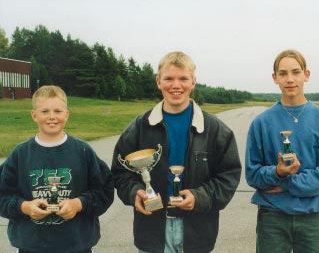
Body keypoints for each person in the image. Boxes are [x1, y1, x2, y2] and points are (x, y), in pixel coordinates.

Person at [111, 51, 241, 253]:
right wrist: (134, 192)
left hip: (198, 234)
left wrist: (200, 197)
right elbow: (120, 172)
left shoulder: (216, 129)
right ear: (158, 82)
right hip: (152, 232)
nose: (176, 85)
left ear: (193, 82)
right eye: (169, 78)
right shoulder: (139, 126)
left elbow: (228, 177)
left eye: (183, 78)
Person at [245, 49, 319, 253]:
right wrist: (277, 172)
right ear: (275, 78)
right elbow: (252, 173)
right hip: (272, 217)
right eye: (283, 73)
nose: (289, 79)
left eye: (295, 72)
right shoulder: (261, 123)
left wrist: (287, 182)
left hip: (311, 216)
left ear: (306, 75)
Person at [0, 85, 114, 253]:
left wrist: (78, 204)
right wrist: (24, 206)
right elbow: (2, 195)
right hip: (31, 246)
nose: (52, 117)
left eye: (58, 111)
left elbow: (104, 191)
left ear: (66, 114)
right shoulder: (20, 154)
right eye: (45, 111)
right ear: (34, 115)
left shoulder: (83, 152)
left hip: (76, 245)